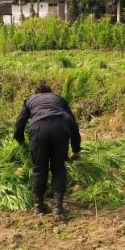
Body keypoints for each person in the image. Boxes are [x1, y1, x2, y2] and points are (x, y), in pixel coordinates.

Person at [13, 84, 82, 217]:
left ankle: (39, 206)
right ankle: (58, 207)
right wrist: (76, 149)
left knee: (39, 169)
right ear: (51, 92)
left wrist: (21, 142)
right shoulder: (59, 99)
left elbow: (20, 123)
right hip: (61, 128)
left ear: (36, 93)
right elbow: (73, 124)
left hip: (39, 130)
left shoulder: (30, 100)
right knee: (58, 168)